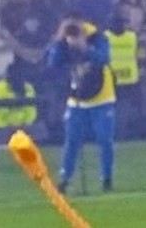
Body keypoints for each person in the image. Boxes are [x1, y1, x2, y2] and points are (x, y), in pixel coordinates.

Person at [47, 16, 117, 194]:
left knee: (104, 139)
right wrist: (60, 42)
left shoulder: (98, 38)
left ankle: (106, 177)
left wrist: (85, 48)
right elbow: (53, 63)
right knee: (72, 140)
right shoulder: (63, 43)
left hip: (101, 96)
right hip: (76, 98)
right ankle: (65, 178)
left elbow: (104, 58)